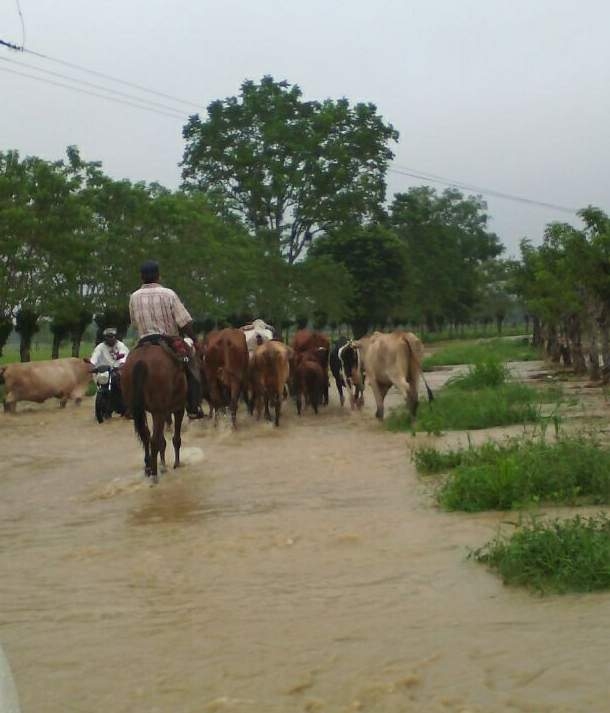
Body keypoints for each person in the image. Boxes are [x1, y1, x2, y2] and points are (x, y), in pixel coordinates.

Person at [129, 260, 204, 419]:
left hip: (144, 340)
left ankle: (129, 405)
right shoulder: (168, 294)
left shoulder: (134, 296)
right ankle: (193, 405)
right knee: (192, 365)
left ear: (141, 277)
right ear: (158, 276)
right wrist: (195, 340)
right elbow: (184, 321)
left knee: (126, 367)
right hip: (169, 339)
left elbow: (135, 323)